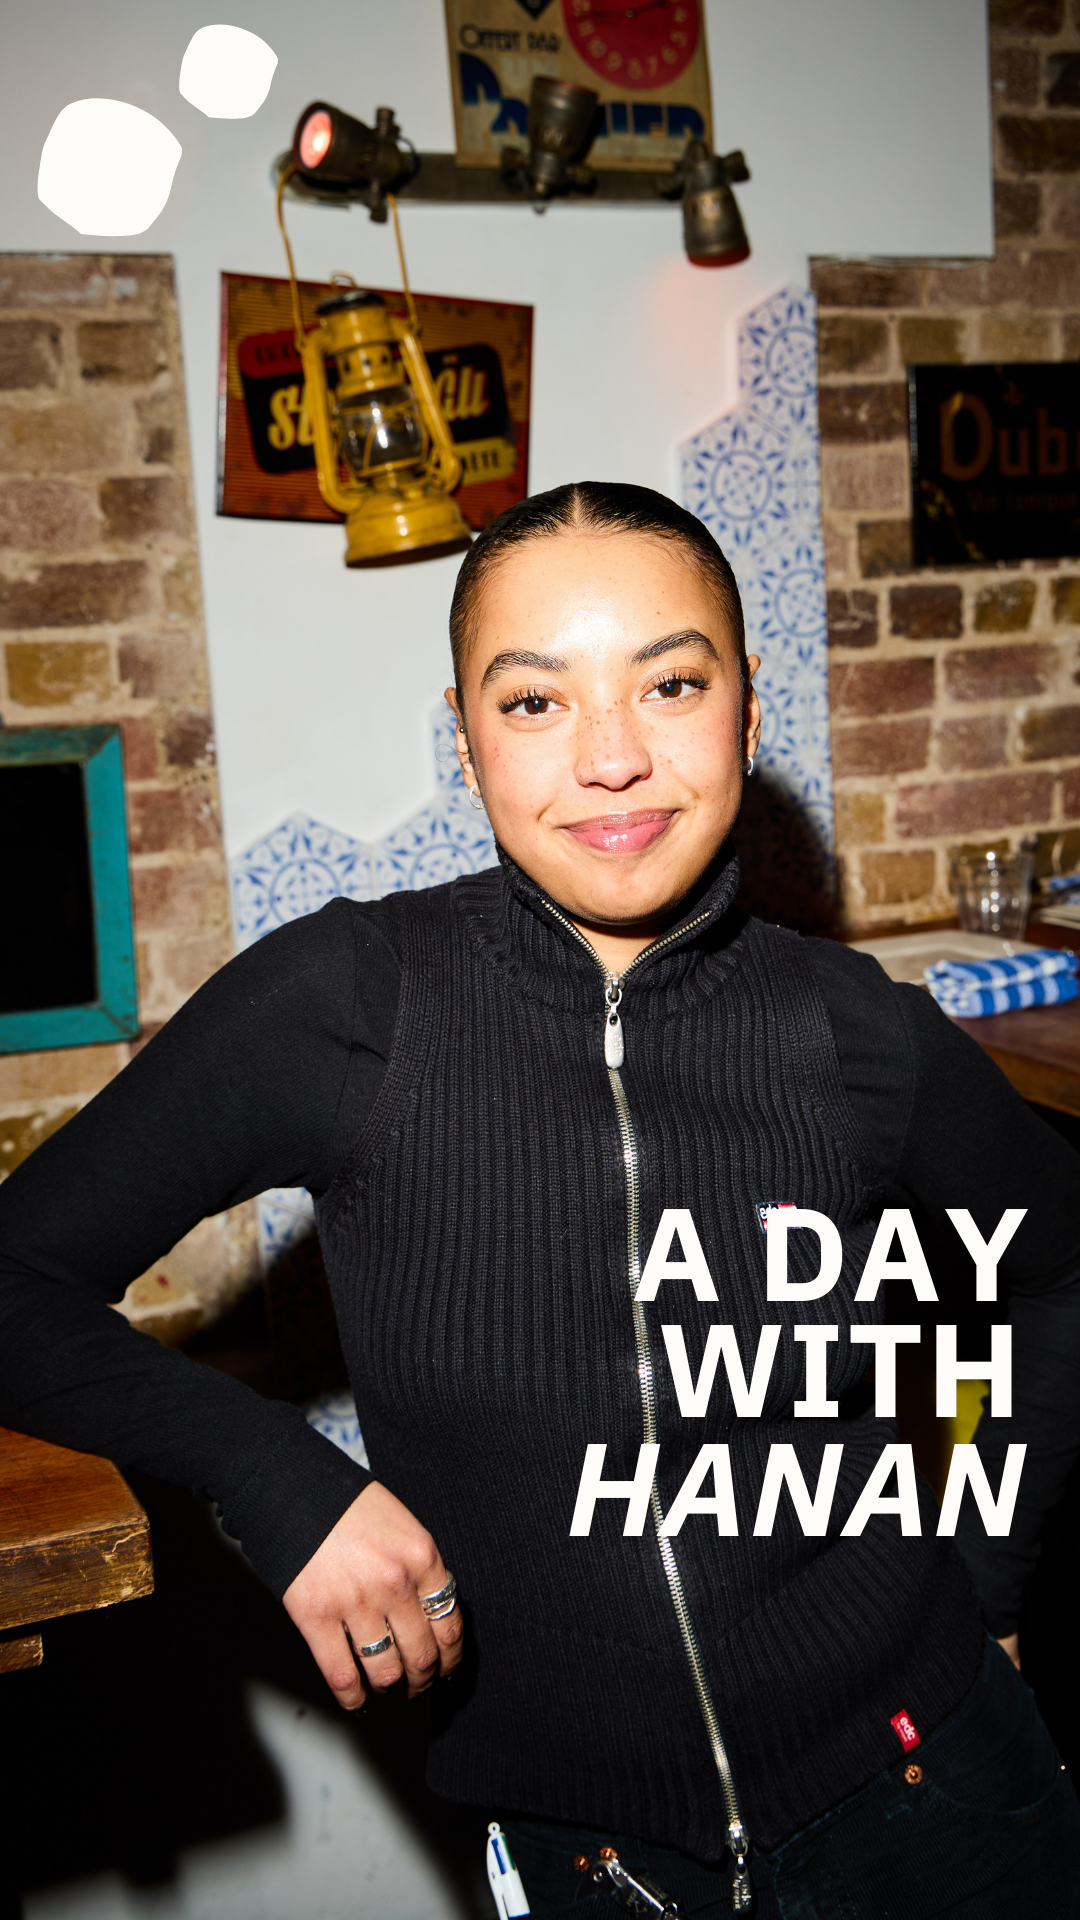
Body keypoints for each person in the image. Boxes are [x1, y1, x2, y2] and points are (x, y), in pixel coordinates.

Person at [1, 482, 1079, 1919]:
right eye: (535, 705)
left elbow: (1057, 1272)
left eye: (672, 684)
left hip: (941, 1803)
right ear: (463, 741)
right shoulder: (346, 1004)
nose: (615, 761)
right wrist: (272, 1473)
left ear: (749, 717)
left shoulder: (853, 1030)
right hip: (601, 1867)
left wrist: (991, 1585)